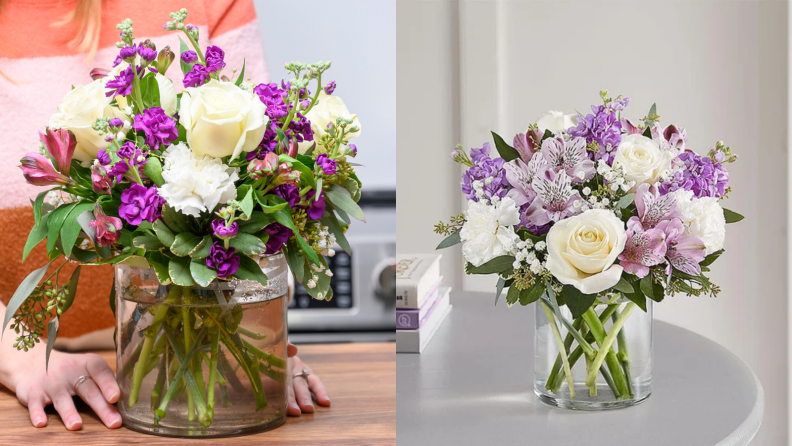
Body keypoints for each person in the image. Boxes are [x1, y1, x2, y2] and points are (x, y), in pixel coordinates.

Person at [0, 0, 329, 429]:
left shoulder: (213, 4)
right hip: (38, 388)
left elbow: (263, 176)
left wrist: (266, 350)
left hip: (212, 356)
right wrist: (18, 359)